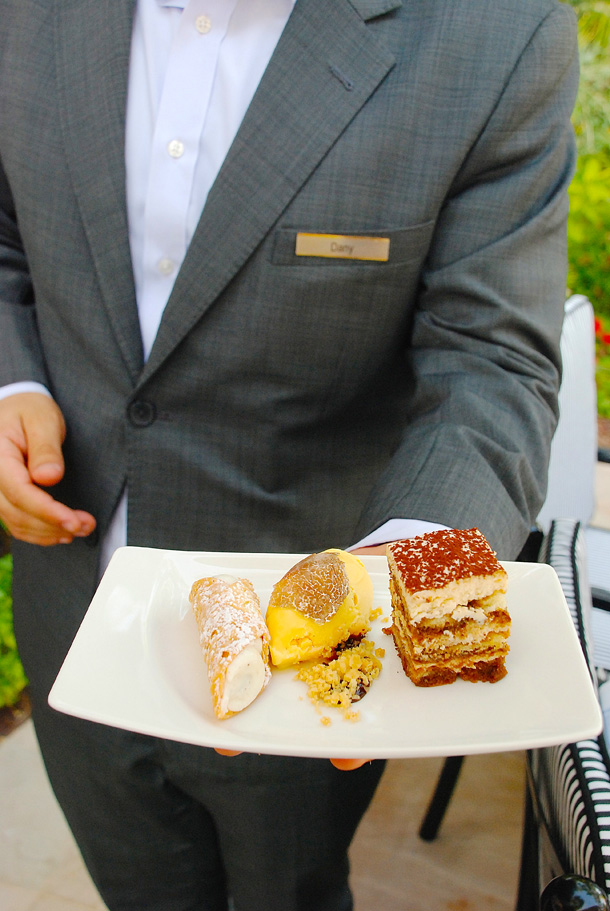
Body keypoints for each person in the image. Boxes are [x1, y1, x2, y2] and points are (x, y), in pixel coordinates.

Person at [0, 0, 578, 908]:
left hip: (314, 652)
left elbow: (492, 360)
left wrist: (395, 592)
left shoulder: (496, 31)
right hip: (68, 609)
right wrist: (10, 384)